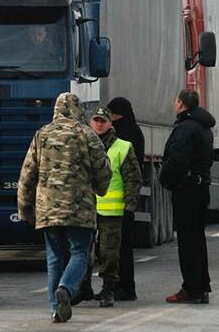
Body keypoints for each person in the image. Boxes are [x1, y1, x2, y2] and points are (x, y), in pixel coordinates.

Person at [17, 93, 112, 324]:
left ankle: (55, 309)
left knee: (54, 257)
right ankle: (67, 289)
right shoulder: (87, 135)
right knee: (80, 252)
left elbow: (27, 174)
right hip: (80, 207)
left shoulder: (42, 134)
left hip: (48, 208)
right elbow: (103, 170)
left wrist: (25, 209)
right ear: (79, 111)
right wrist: (100, 189)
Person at [78, 107, 142, 308]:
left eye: (102, 121)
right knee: (83, 251)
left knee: (109, 253)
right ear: (90, 123)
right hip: (87, 209)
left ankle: (108, 289)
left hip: (112, 211)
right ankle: (83, 287)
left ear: (110, 123)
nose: (98, 124)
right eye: (95, 120)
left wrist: (129, 205)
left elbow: (133, 179)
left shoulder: (123, 147)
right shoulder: (82, 146)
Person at [160, 89, 216, 304]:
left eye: (176, 100)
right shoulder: (204, 127)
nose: (174, 104)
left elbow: (177, 160)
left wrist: (164, 177)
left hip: (187, 189)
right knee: (197, 239)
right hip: (201, 187)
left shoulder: (185, 129)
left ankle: (192, 288)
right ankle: (201, 286)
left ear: (182, 104)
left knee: (187, 241)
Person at [106, 96, 145, 301]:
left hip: (117, 199)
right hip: (125, 198)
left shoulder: (121, 134)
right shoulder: (135, 131)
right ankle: (125, 286)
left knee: (118, 248)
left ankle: (124, 287)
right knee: (123, 246)